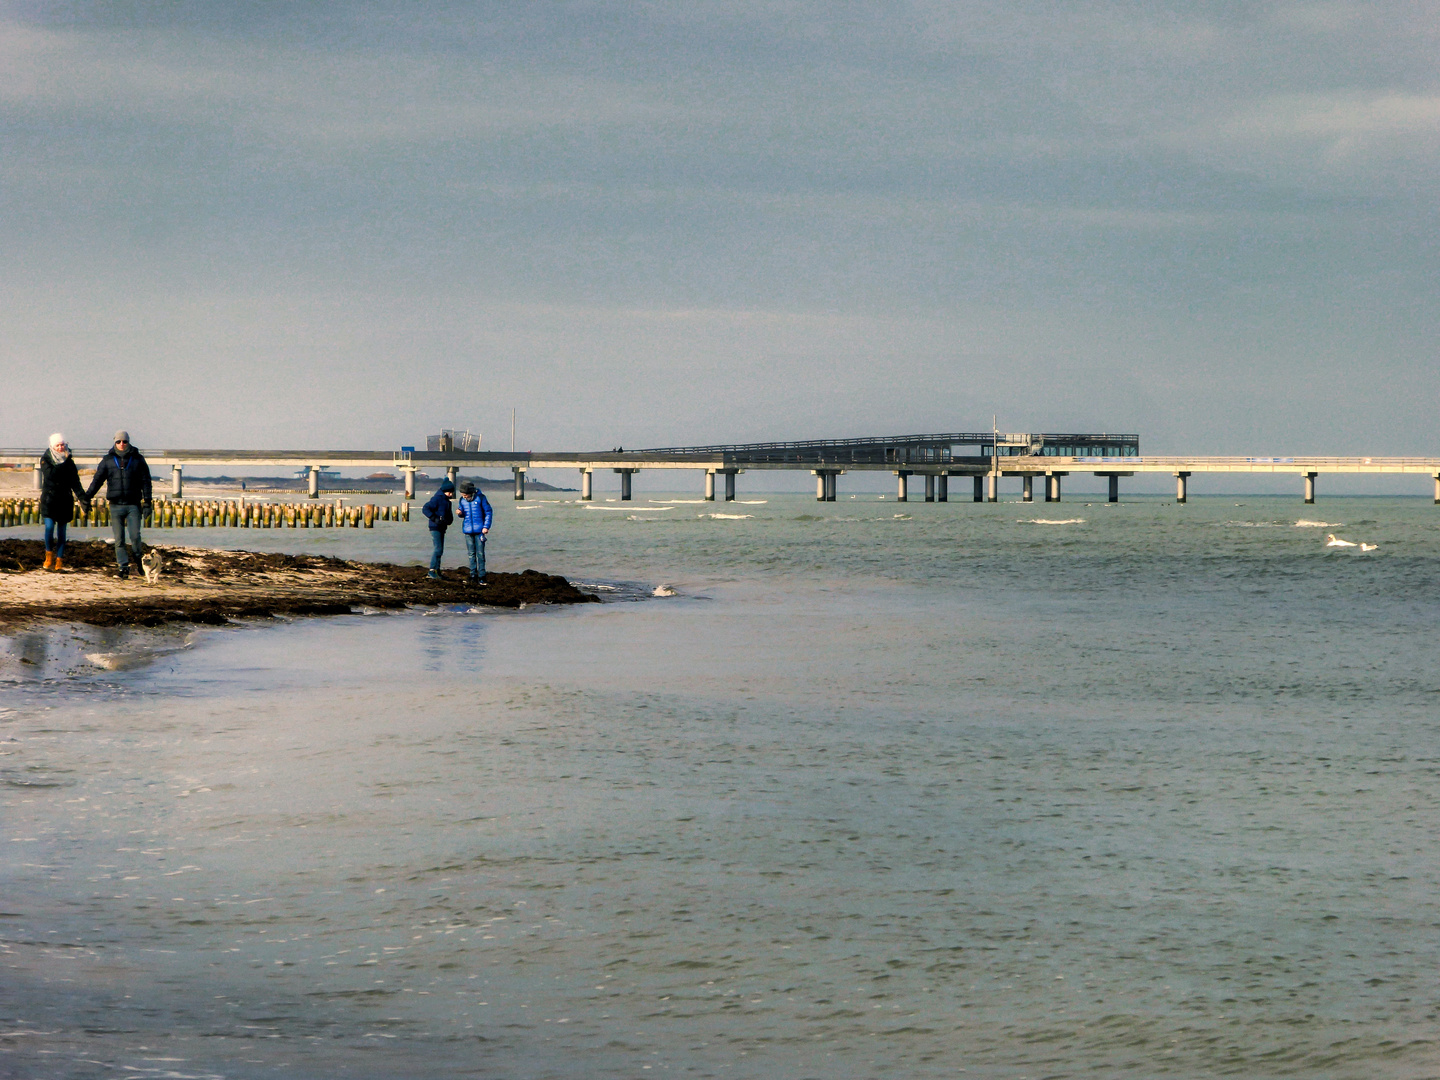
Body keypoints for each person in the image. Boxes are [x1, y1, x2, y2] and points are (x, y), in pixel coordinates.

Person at [84, 430, 153, 580]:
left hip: (133, 505)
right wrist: (86, 498)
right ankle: (123, 567)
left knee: (135, 536)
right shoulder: (108, 460)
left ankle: (138, 559)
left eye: (125, 441)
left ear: (129, 442)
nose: (122, 444)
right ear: (114, 442)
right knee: (119, 539)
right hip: (115, 506)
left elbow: (146, 482)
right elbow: (97, 481)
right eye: (119, 442)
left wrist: (147, 502)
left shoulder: (138, 459)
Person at [38, 433, 89, 572]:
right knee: (49, 527)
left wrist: (82, 497)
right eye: (57, 445)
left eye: (62, 445)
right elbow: (51, 474)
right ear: (52, 446)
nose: (60, 447)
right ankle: (49, 555)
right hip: (49, 500)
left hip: (65, 500)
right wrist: (65, 462)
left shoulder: (69, 462)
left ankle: (59, 560)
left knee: (62, 532)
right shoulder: (45, 459)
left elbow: (75, 482)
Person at [456, 480, 493, 584]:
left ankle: (482, 576)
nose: (464, 497)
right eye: (462, 495)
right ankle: (473, 575)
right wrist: (460, 513)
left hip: (480, 530)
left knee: (480, 554)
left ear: (470, 493)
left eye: (465, 495)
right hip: (467, 530)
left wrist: (486, 527)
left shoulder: (481, 498)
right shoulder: (462, 500)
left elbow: (488, 512)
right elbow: (463, 514)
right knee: (471, 554)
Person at [421, 479, 455, 580]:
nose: (450, 494)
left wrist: (449, 520)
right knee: (438, 549)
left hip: (442, 527)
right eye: (449, 492)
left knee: (440, 550)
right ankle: (431, 571)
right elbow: (425, 508)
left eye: (451, 492)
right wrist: (434, 518)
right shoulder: (436, 499)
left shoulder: (447, 501)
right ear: (444, 491)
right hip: (435, 527)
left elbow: (448, 514)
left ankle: (437, 571)